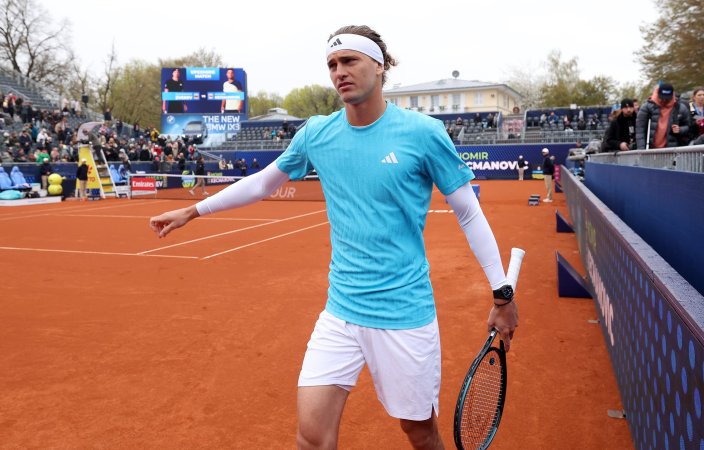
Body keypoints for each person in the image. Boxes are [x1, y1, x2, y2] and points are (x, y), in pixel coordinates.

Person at [148, 25, 518, 450]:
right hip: (340, 312)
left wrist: (501, 294)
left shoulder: (423, 133)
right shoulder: (316, 133)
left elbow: (468, 212)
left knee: (418, 433)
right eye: (331, 64)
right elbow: (262, 184)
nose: (339, 71)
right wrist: (193, 210)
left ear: (378, 67)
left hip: (404, 314)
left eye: (349, 61)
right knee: (311, 438)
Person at [636, 82, 692, 149]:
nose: (664, 100)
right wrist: (641, 150)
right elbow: (640, 130)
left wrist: (680, 129)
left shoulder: (681, 108)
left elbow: (688, 126)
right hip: (651, 150)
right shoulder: (647, 107)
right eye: (662, 98)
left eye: (667, 98)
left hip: (672, 149)